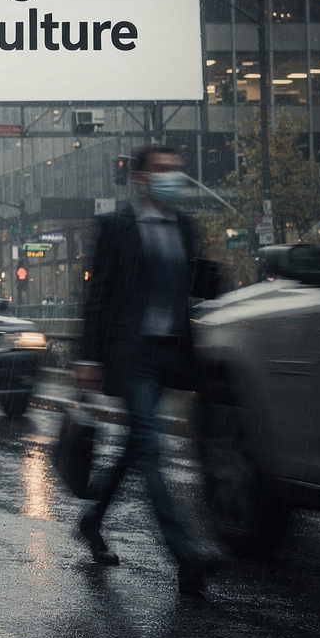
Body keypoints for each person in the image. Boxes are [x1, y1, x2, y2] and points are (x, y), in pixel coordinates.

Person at [74, 143, 222, 594]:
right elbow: (98, 294)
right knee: (151, 445)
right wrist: (88, 356)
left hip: (169, 353)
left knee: (135, 447)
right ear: (139, 177)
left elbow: (189, 288)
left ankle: (92, 519)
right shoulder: (115, 226)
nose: (171, 176)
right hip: (130, 354)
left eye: (176, 168)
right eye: (161, 169)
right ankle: (185, 553)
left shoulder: (183, 226)